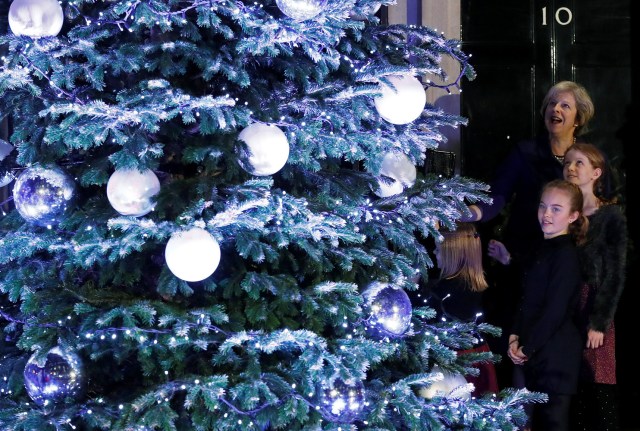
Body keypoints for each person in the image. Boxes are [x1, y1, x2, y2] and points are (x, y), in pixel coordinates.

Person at [461, 81, 595, 388]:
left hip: (564, 263)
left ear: (579, 118)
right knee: (516, 342)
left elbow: (598, 205)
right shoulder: (526, 152)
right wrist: (474, 214)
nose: (555, 110)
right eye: (551, 104)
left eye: (564, 105)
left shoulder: (585, 159)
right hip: (520, 261)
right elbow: (497, 197)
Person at [507, 179, 588, 431]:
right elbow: (526, 299)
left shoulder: (567, 257)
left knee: (553, 423)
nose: (547, 214)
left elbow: (556, 310)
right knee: (521, 421)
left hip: (555, 357)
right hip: (528, 350)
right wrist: (513, 336)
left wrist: (528, 347)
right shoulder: (540, 249)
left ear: (573, 216)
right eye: (543, 206)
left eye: (556, 208)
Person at [563, 143, 627, 430]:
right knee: (571, 393)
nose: (571, 168)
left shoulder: (610, 216)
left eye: (579, 163)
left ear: (596, 173)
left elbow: (614, 273)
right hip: (565, 310)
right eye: (567, 163)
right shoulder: (565, 214)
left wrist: (600, 322)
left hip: (593, 307)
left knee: (598, 389)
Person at [413, 222, 499, 397]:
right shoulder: (475, 284)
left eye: (438, 249)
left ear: (452, 254)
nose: (435, 253)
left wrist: (413, 286)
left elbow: (424, 312)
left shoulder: (447, 289)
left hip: (456, 364)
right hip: (477, 357)